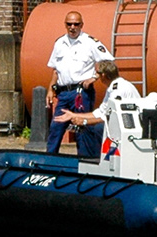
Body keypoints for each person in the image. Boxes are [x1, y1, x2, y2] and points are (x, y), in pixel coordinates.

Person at [51, 59, 144, 163]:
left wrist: (84, 121)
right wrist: (74, 115)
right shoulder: (113, 87)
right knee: (86, 129)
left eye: (97, 73)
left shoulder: (118, 90)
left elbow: (109, 116)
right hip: (120, 122)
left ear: (103, 75)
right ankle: (87, 160)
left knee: (97, 129)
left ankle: (97, 160)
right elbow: (101, 112)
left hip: (127, 124)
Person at [46, 10, 111, 157]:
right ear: (65, 25)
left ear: (82, 25)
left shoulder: (90, 42)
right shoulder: (59, 43)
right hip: (63, 93)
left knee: (82, 128)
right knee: (56, 127)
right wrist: (50, 89)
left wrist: (94, 77)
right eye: (69, 24)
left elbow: (108, 61)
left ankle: (84, 160)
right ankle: (50, 159)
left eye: (76, 24)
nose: (72, 27)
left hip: (81, 93)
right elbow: (56, 70)